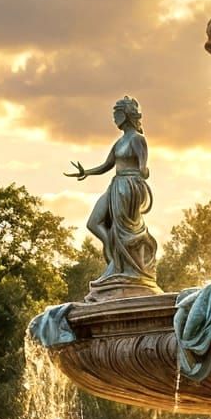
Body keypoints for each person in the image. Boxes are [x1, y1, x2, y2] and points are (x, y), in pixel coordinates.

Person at [66, 96, 158, 289]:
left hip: (130, 187)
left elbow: (143, 168)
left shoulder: (138, 139)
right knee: (94, 222)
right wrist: (86, 172)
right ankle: (115, 260)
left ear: (126, 115)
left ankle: (123, 268)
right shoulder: (120, 142)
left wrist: (143, 171)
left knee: (123, 230)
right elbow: (107, 165)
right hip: (116, 185)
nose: (114, 118)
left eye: (116, 113)